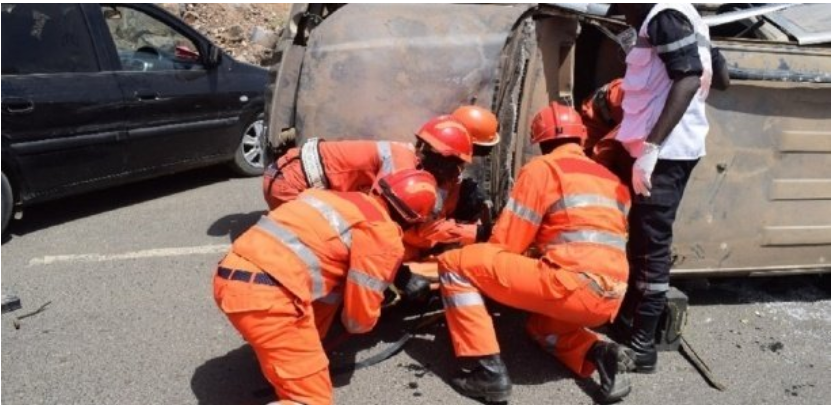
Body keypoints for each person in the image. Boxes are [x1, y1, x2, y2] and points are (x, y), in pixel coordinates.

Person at [435, 102, 634, 403]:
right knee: (542, 327)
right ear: (581, 138)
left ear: (541, 142)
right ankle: (600, 352)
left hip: (570, 284)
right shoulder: (613, 180)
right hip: (611, 297)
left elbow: (505, 244)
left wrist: (465, 244)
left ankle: (486, 373)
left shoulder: (544, 168)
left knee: (455, 265)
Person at [214, 169, 438, 405]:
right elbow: (357, 321)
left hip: (229, 275)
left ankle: (298, 356)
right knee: (311, 400)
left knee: (330, 293)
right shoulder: (383, 235)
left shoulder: (336, 197)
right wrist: (380, 303)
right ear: (414, 218)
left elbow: (328, 279)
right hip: (266, 299)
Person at [609, 4, 715, 374]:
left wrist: (652, 149)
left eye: (621, 7)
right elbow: (722, 77)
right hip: (672, 150)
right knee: (642, 239)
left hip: (665, 154)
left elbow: (688, 77)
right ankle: (629, 323)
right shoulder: (689, 18)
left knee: (651, 245)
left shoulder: (665, 17)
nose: (621, 15)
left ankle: (643, 346)